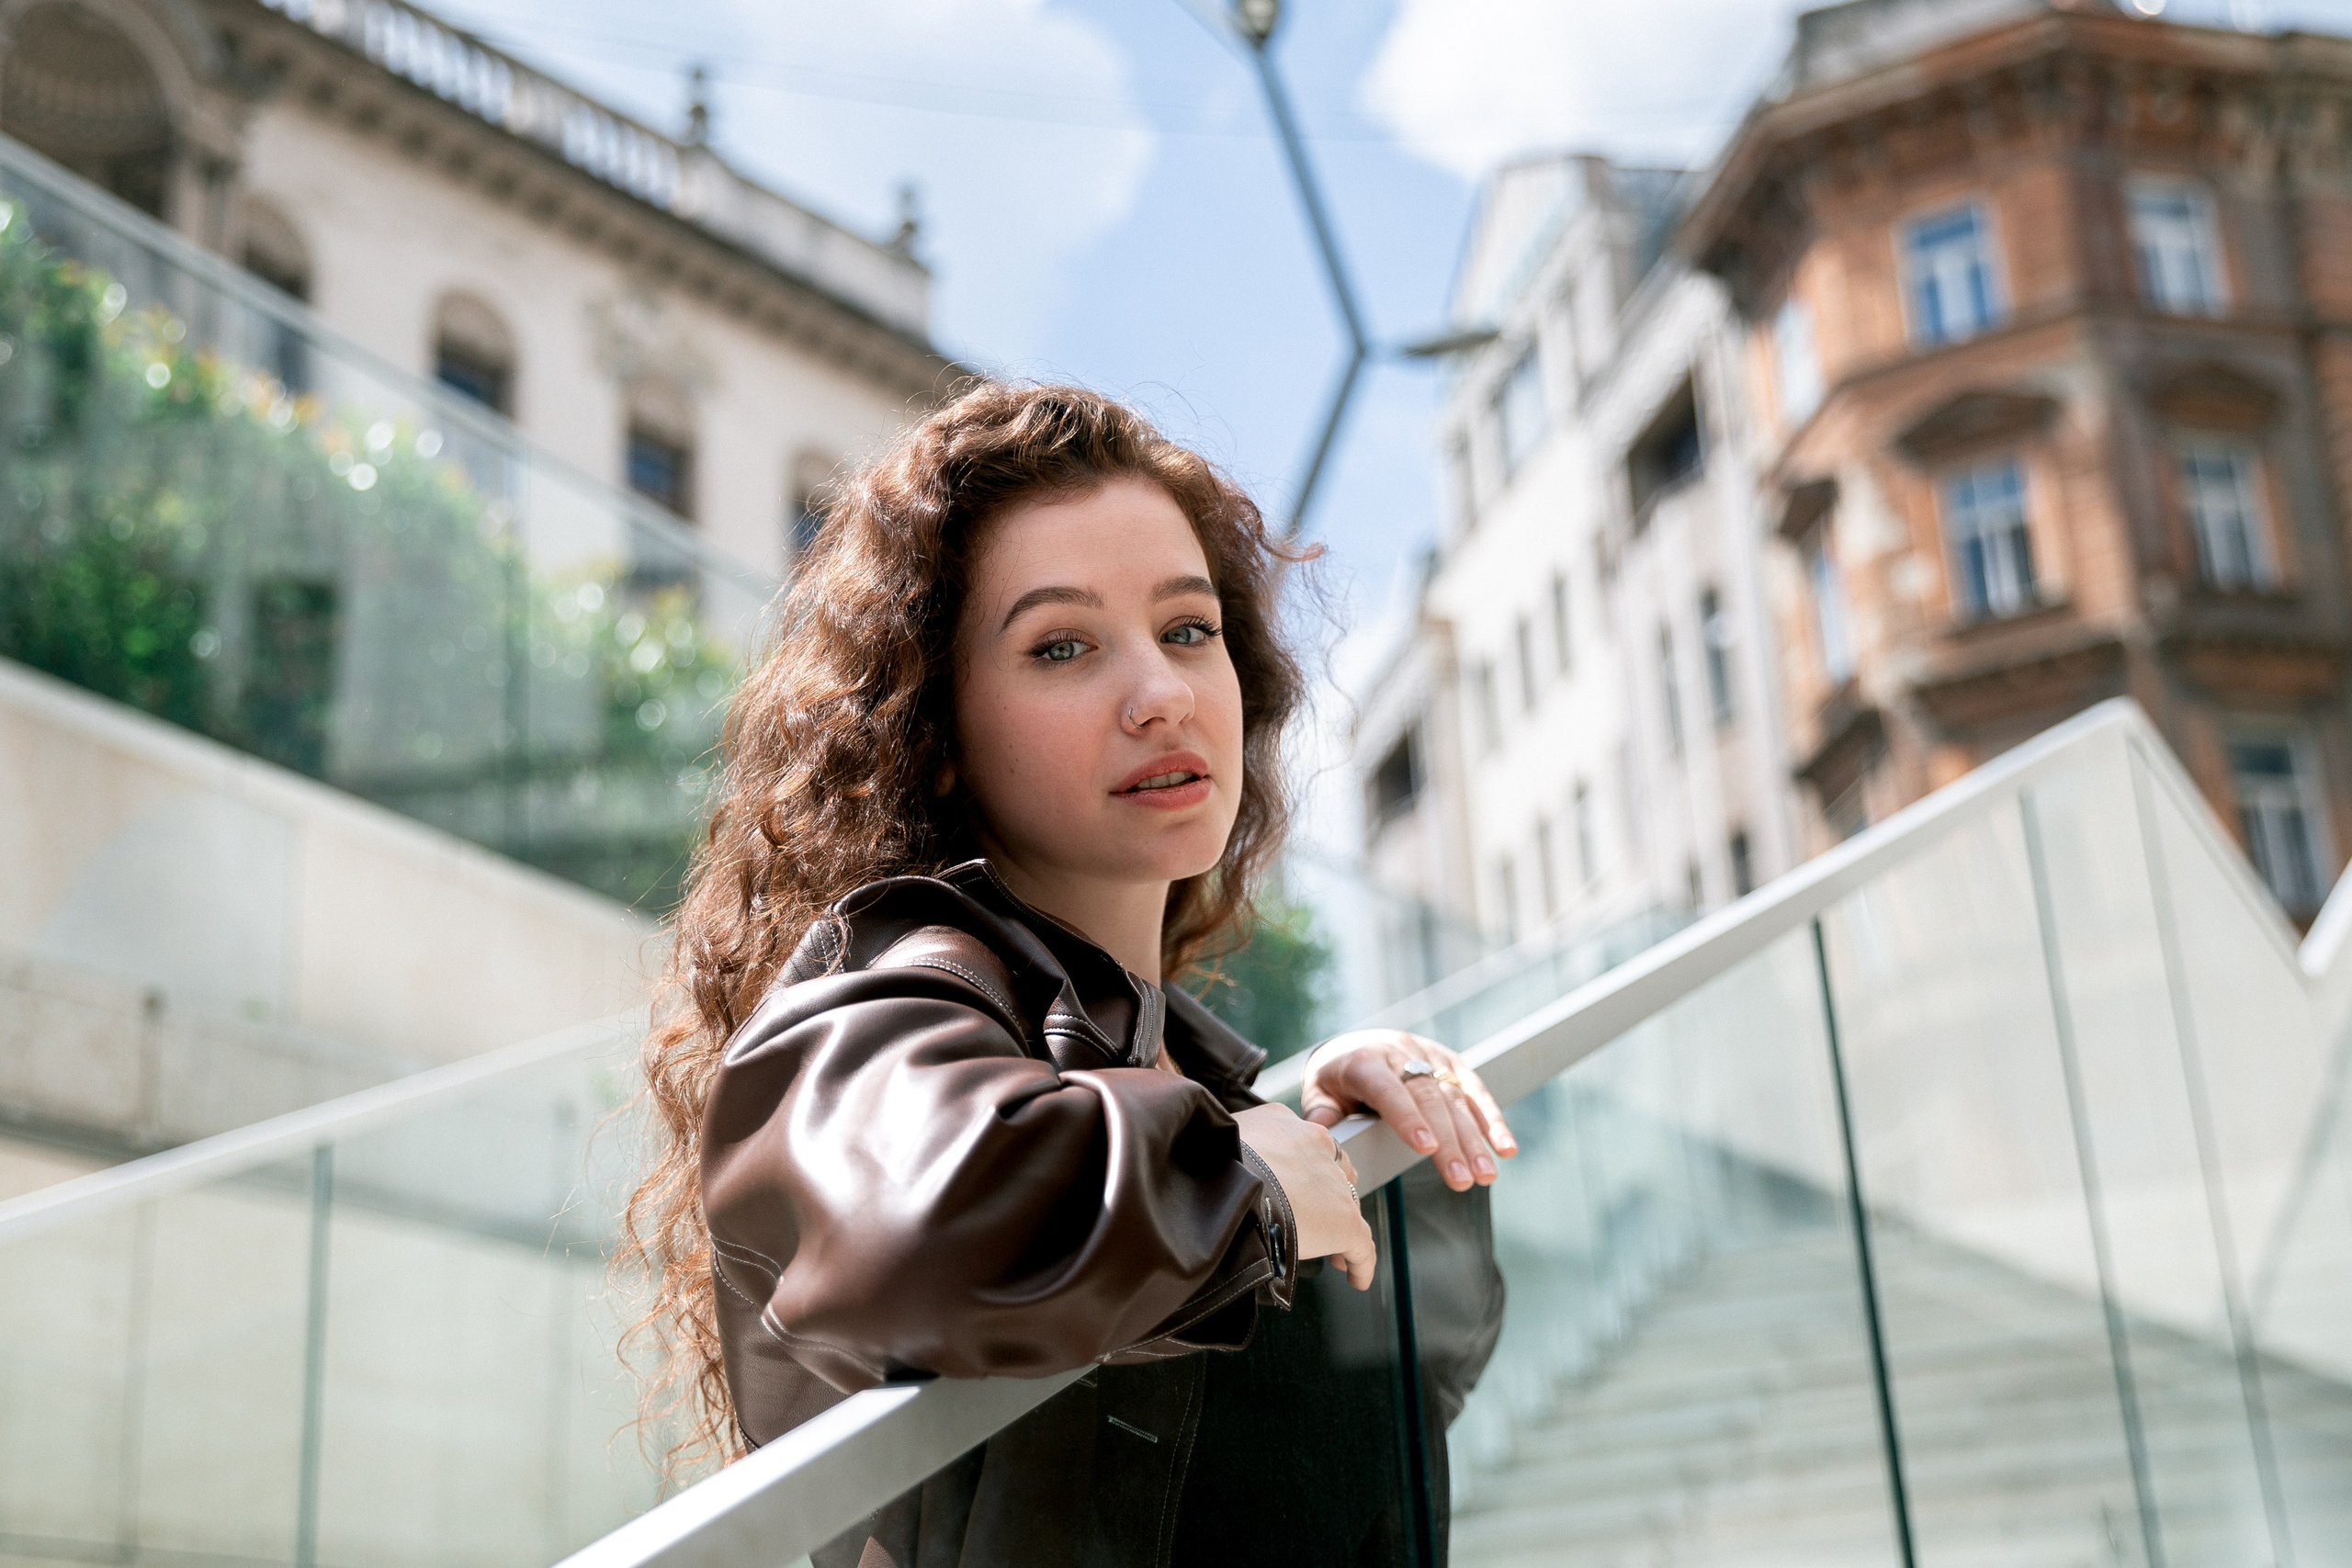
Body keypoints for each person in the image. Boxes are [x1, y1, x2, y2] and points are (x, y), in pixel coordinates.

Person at [622, 381, 1512, 1567]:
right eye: (1062, 647)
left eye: (1189, 630)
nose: (1161, 693)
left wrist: (1362, 1136)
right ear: (931, 736)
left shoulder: (1187, 1085)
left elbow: (1395, 1407)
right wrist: (1234, 1167)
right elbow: (930, 1218)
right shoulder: (888, 991)